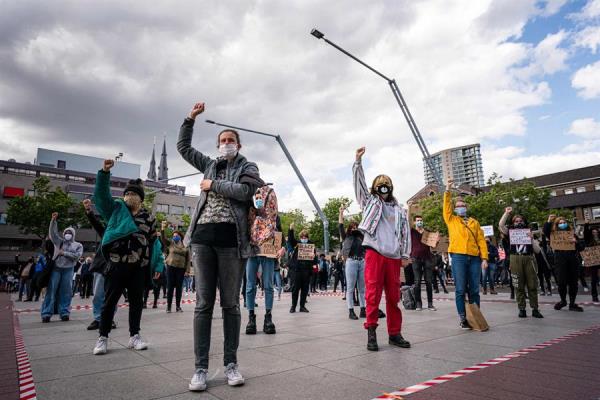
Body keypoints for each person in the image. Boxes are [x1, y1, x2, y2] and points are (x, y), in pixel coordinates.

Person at [178, 102, 262, 391]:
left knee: (230, 304)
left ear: (238, 144)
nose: (226, 144)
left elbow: (246, 191)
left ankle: (230, 363)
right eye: (222, 141)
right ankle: (200, 368)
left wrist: (212, 185)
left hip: (231, 241)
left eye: (231, 140)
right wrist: (190, 119)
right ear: (217, 145)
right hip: (202, 238)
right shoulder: (209, 164)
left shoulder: (247, 166)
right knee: (203, 304)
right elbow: (184, 148)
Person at [92, 159, 158, 355]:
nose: (129, 196)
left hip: (138, 267)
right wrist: (104, 173)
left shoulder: (149, 218)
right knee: (109, 302)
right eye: (127, 193)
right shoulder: (117, 211)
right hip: (116, 264)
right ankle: (102, 338)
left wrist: (153, 267)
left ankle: (134, 336)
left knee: (137, 303)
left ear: (141, 198)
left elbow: (153, 244)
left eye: (133, 193)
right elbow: (101, 197)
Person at [353, 147, 411, 351]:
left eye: (386, 184)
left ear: (391, 187)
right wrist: (358, 163)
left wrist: (405, 254)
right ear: (375, 188)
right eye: (380, 185)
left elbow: (406, 233)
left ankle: (395, 333)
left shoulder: (400, 210)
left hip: (394, 257)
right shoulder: (369, 203)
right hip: (375, 253)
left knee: (394, 298)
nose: (384, 187)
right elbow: (359, 186)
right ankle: (371, 332)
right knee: (372, 295)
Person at [442, 179, 488, 330]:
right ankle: (463, 318)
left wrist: (484, 258)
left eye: (463, 206)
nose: (461, 208)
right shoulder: (452, 220)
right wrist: (447, 190)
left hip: (474, 258)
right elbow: (446, 208)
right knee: (461, 289)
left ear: (467, 208)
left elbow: (481, 240)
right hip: (458, 257)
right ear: (455, 209)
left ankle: (476, 316)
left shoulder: (474, 222)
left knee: (474, 289)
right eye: (458, 206)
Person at [245, 185, 279, 335]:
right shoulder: (249, 214)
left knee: (268, 285)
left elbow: (280, 232)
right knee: (250, 285)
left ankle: (268, 317)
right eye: (257, 198)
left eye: (261, 198)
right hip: (252, 252)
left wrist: (281, 247)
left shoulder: (273, 216)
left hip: (268, 252)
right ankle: (251, 317)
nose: (259, 200)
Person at [499, 207, 543, 318]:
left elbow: (538, 251)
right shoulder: (510, 232)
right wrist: (506, 213)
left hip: (528, 258)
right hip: (515, 258)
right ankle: (522, 308)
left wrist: (532, 239)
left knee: (532, 285)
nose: (519, 223)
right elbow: (501, 225)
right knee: (518, 285)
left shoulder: (529, 232)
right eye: (516, 221)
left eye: (521, 221)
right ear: (513, 223)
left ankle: (535, 309)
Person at [41, 214, 83, 323]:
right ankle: (46, 313)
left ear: (73, 234)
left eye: (70, 233)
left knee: (66, 292)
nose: (67, 234)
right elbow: (52, 234)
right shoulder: (59, 241)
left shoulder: (78, 245)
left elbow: (77, 256)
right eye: (66, 233)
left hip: (68, 270)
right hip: (56, 269)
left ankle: (64, 313)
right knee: (51, 291)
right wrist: (53, 221)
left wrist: (64, 253)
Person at [544, 215, 584, 312]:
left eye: (564, 222)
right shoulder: (554, 234)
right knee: (561, 282)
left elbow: (582, 247)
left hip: (573, 260)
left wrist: (576, 242)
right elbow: (546, 231)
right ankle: (563, 301)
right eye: (560, 223)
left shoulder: (572, 234)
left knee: (573, 283)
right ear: (557, 225)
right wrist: (549, 221)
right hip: (560, 260)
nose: (563, 224)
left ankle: (572, 303)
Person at [339, 205, 367, 320]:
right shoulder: (346, 236)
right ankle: (351, 311)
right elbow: (340, 225)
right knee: (350, 288)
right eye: (352, 227)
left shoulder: (362, 236)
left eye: (356, 226)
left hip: (362, 261)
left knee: (362, 288)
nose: (354, 228)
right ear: (349, 229)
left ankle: (362, 309)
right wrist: (341, 212)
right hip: (351, 261)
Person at [160, 221, 191, 313]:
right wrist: (163, 229)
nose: (174, 237)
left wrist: (187, 270)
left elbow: (188, 260)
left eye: (176, 235)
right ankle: (168, 307)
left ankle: (178, 306)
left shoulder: (185, 246)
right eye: (173, 236)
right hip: (170, 267)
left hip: (181, 269)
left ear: (180, 236)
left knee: (179, 288)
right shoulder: (171, 243)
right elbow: (163, 239)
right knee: (170, 287)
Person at [288, 223, 317, 313]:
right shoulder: (297, 244)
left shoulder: (311, 245)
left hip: (307, 270)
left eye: (305, 237)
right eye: (302, 237)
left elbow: (314, 257)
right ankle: (293, 306)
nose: (304, 238)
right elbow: (291, 240)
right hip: (297, 270)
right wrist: (291, 230)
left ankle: (302, 306)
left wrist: (314, 258)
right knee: (295, 289)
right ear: (300, 237)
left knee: (305, 289)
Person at [410, 216, 436, 311]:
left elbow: (432, 246)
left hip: (427, 258)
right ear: (414, 223)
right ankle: (418, 304)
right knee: (417, 281)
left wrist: (435, 242)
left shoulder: (427, 232)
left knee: (429, 281)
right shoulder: (411, 232)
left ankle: (430, 304)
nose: (420, 222)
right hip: (415, 258)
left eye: (421, 220)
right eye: (418, 221)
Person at [583, 222, 600, 303]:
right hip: (593, 260)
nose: (595, 232)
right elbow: (586, 233)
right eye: (593, 232)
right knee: (594, 279)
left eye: (596, 231)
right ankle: (594, 296)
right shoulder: (588, 240)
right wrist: (586, 225)